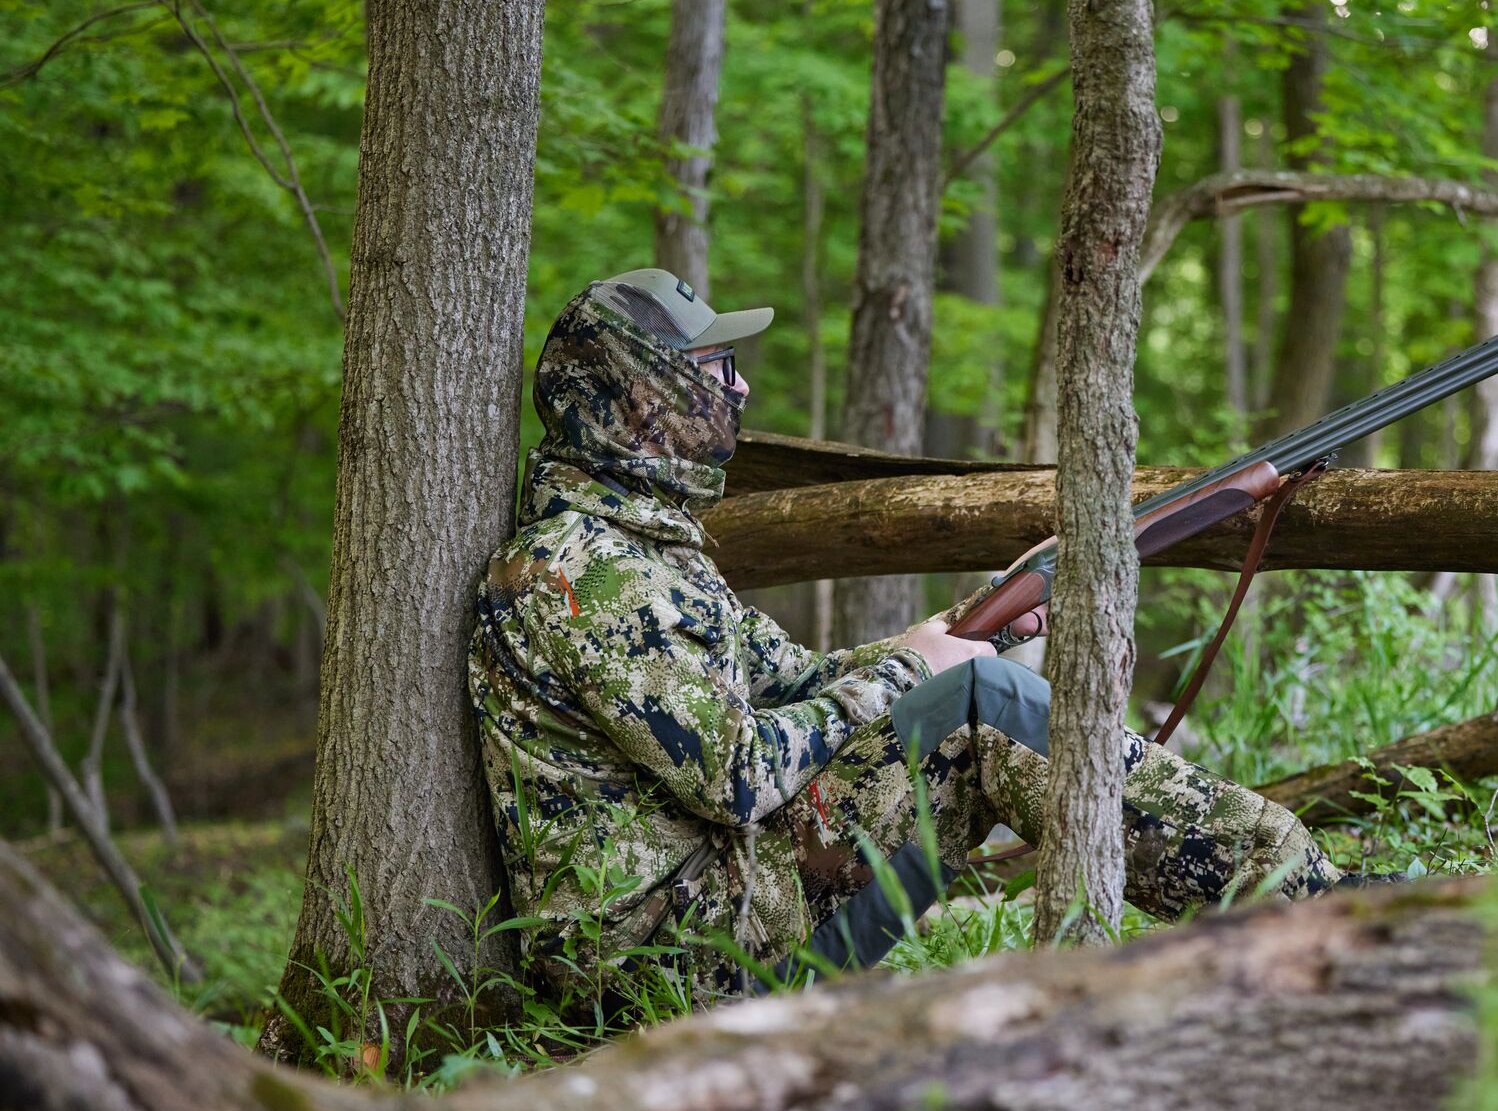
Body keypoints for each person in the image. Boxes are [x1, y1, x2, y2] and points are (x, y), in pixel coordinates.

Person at [468, 267, 1338, 1008]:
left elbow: (796, 682)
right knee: (980, 712)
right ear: (643, 398)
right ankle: (1311, 907)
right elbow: (738, 775)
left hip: (710, 904)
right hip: (666, 965)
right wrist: (919, 672)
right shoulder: (583, 569)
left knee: (972, 689)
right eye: (713, 367)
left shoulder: (633, 550)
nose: (737, 387)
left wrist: (956, 630)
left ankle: (1299, 898)